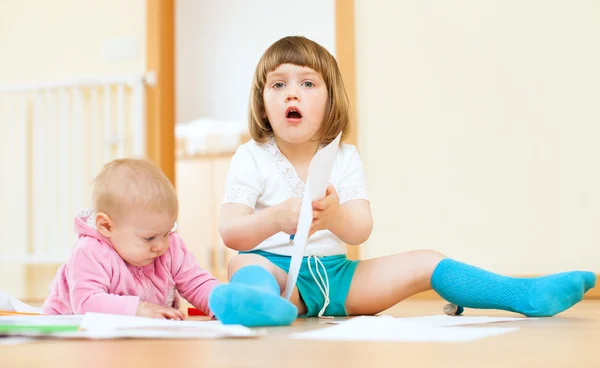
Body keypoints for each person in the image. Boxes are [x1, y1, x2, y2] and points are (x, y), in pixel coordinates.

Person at [208, 36, 596, 327]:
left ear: (330, 100)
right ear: (262, 103)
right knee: (241, 261)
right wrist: (275, 218)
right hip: (281, 277)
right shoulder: (251, 157)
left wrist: (336, 215)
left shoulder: (343, 156)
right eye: (278, 84)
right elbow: (231, 232)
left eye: (308, 84)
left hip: (339, 276)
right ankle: (260, 305)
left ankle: (525, 295)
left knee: (426, 260)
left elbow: (360, 230)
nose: (292, 92)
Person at [43, 158, 219, 319]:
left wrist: (222, 304)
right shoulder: (89, 251)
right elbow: (86, 301)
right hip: (76, 332)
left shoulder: (171, 247)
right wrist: (139, 309)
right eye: (149, 238)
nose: (161, 245)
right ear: (106, 226)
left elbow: (196, 282)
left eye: (167, 232)